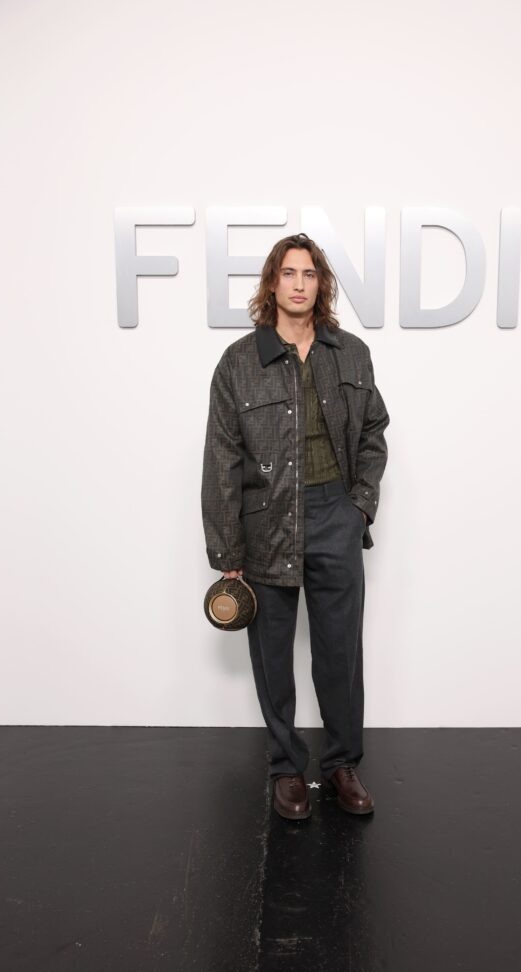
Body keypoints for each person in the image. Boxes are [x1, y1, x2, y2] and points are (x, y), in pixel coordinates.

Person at [201, 232, 390, 820]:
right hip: (266, 521)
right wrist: (228, 551)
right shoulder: (239, 363)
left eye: (309, 274)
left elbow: (374, 433)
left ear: (321, 285)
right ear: (272, 283)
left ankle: (341, 764)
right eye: (289, 273)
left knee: (340, 653)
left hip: (335, 513)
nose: (299, 284)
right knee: (273, 654)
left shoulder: (351, 354)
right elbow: (222, 460)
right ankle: (286, 768)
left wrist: (359, 506)